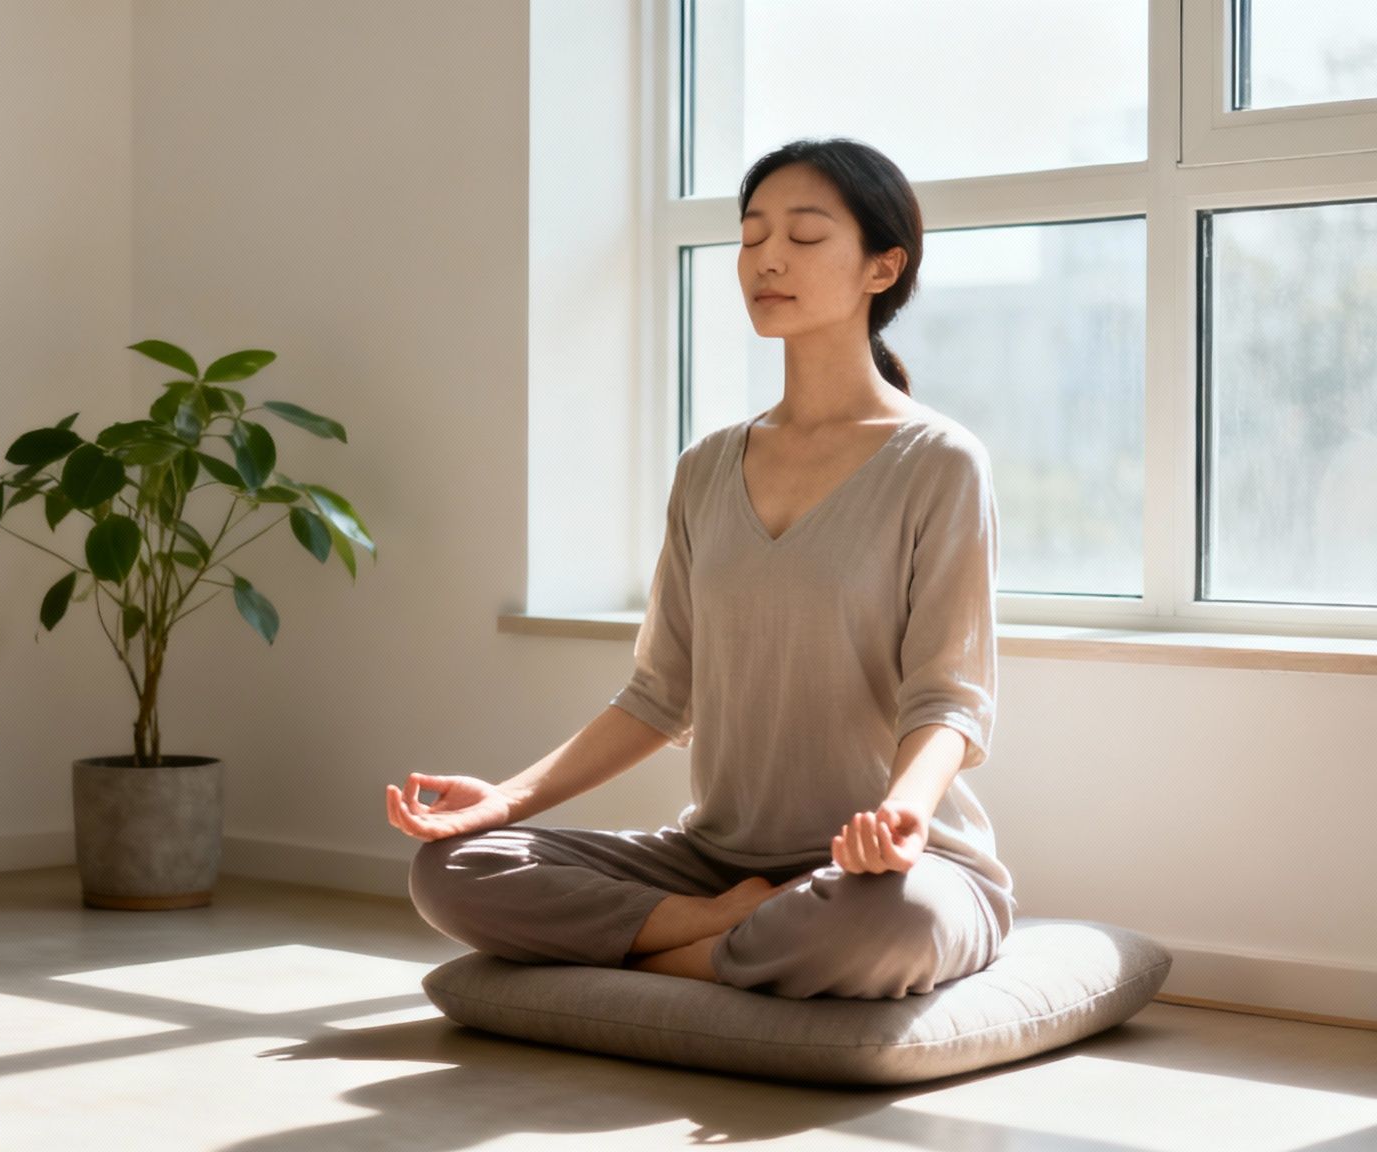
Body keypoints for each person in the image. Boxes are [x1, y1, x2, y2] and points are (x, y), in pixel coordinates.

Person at [389, 137, 1014, 1001]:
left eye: (803, 237)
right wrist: (503, 801)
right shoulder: (709, 465)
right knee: (450, 870)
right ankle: (717, 926)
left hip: (888, 868)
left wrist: (903, 817)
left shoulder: (940, 461)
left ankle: (671, 950)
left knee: (886, 924)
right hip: (715, 863)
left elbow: (948, 698)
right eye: (752, 237)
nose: (768, 260)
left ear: (882, 266)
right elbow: (659, 694)